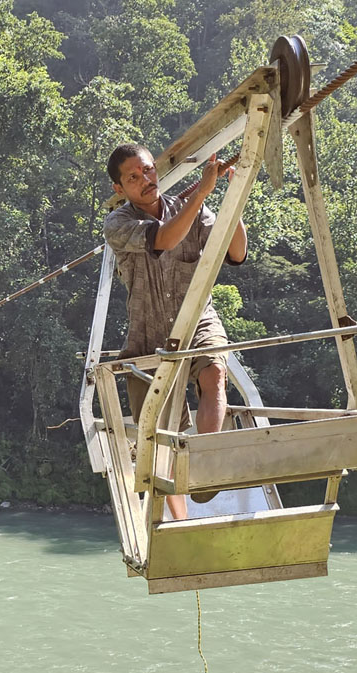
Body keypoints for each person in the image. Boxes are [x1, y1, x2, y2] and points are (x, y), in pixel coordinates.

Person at [102, 143, 247, 520]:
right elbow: (163, 239)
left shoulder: (195, 212)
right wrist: (200, 193)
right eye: (133, 178)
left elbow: (236, 252)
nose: (145, 181)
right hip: (146, 337)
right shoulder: (118, 225)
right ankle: (180, 521)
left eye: (148, 171)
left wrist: (234, 195)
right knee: (161, 439)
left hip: (197, 319)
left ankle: (206, 466)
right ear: (120, 189)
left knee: (214, 373)